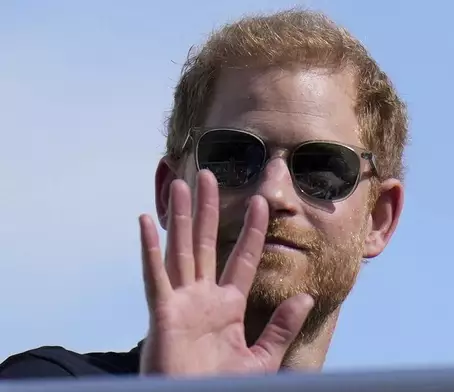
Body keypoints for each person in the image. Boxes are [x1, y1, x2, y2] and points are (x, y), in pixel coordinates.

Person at [0, 8, 407, 379]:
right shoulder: (45, 381)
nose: (273, 192)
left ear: (379, 219)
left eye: (322, 168)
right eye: (232, 157)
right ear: (169, 192)